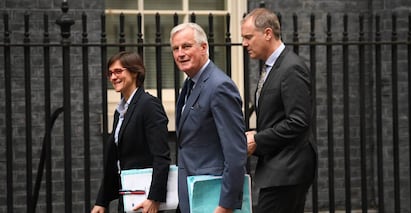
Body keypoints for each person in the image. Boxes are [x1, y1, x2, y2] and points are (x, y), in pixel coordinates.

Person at [241, 8, 317, 213]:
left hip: (288, 170)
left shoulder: (291, 67)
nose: (244, 43)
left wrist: (258, 140)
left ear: (267, 33)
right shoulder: (273, 67)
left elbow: (299, 121)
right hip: (280, 168)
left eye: (248, 37)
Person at [170, 22, 247, 213]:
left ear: (204, 47)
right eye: (175, 48)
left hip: (213, 199)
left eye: (186, 46)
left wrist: (225, 205)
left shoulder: (219, 86)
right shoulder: (190, 85)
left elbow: (235, 152)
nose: (180, 53)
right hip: (191, 194)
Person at [91, 51, 171, 213]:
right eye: (110, 73)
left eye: (118, 71)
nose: (113, 77)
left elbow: (161, 156)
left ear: (135, 72)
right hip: (127, 195)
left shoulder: (149, 105)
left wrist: (154, 198)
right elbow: (116, 159)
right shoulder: (119, 112)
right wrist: (102, 201)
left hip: (145, 198)